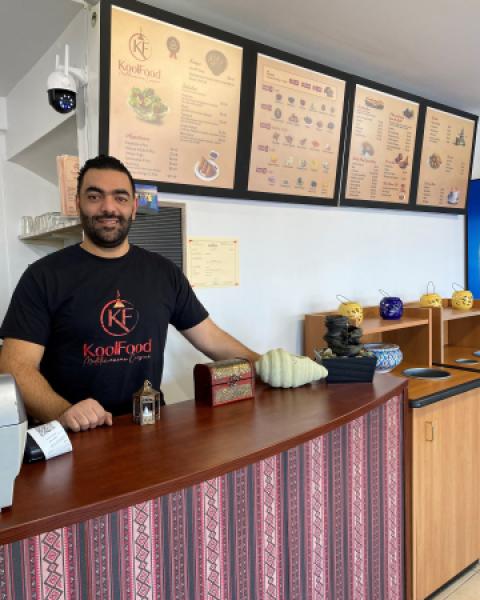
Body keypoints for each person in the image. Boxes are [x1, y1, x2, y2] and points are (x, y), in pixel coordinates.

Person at [0, 155, 259, 432]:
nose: (108, 207)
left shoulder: (163, 273)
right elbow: (15, 367)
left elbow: (212, 339)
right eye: (95, 196)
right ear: (78, 204)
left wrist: (265, 364)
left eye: (120, 198)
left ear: (134, 207)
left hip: (148, 427)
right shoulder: (43, 276)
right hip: (74, 436)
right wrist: (64, 412)